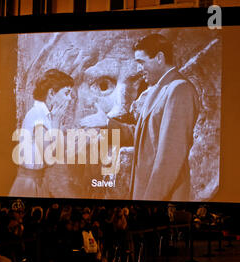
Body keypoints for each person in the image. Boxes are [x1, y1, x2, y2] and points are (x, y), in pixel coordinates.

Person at [81, 33, 199, 201]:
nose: (139, 68)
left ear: (159, 58)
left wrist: (147, 202)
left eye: (141, 62)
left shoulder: (179, 90)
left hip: (162, 198)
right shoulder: (158, 89)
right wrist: (107, 123)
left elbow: (170, 158)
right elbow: (145, 136)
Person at [9, 69, 74, 197]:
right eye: (67, 93)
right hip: (28, 186)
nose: (70, 98)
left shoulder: (47, 115)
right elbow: (50, 158)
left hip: (38, 182)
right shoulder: (38, 116)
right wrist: (56, 121)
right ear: (51, 93)